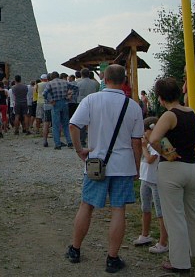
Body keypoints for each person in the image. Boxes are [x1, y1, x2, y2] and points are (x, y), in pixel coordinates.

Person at [66, 64, 143, 274]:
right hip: (123, 165)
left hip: (96, 164)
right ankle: (112, 258)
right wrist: (137, 167)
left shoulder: (91, 100)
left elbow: (74, 125)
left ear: (104, 78)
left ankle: (75, 249)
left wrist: (79, 149)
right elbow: (137, 142)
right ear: (124, 80)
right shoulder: (133, 106)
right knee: (119, 209)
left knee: (86, 205)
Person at [148, 77, 195, 273]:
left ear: (160, 97)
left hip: (173, 169)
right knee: (194, 211)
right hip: (192, 167)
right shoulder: (191, 111)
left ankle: (180, 261)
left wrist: (167, 153)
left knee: (174, 217)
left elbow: (155, 138)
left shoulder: (168, 115)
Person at [133, 117, 168, 254]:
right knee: (145, 207)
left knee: (160, 212)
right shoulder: (148, 144)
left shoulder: (157, 144)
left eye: (145, 131)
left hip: (156, 180)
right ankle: (145, 234)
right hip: (145, 178)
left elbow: (149, 159)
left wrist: (143, 147)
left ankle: (163, 241)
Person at [44, 71, 77, 149]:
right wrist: (70, 96)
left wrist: (50, 100)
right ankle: (69, 142)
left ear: (52, 77)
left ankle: (58, 144)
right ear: (58, 76)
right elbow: (76, 88)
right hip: (65, 102)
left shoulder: (50, 83)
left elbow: (44, 93)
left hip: (56, 103)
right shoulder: (65, 82)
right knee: (66, 124)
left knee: (56, 125)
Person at [75, 68, 100, 147]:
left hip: (81, 103)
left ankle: (82, 140)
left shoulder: (78, 84)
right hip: (93, 103)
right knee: (92, 122)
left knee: (82, 122)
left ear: (81, 75)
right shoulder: (95, 83)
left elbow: (76, 94)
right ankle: (93, 139)